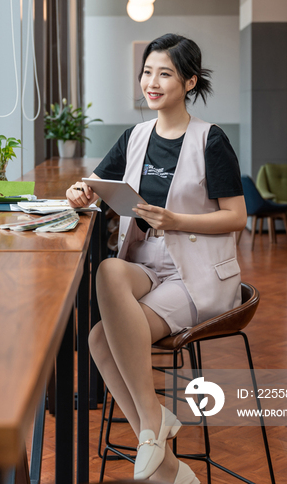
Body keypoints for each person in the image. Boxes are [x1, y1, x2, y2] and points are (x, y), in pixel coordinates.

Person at [66, 33, 247, 484]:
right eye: (147, 71)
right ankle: (154, 423)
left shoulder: (211, 139)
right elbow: (96, 185)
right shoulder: (135, 137)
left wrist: (176, 220)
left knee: (99, 341)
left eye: (164, 73)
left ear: (188, 82)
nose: (152, 81)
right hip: (147, 264)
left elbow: (237, 217)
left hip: (197, 274)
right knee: (109, 270)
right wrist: (79, 191)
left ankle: (164, 458)